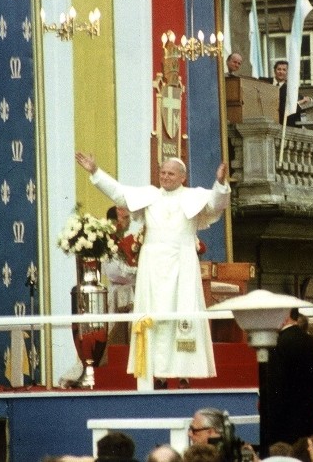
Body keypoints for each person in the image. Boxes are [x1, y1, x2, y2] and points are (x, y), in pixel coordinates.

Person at [75, 152, 230, 390]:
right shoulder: (149, 195)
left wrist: (219, 183)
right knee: (155, 319)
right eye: (162, 173)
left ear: (182, 177)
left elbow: (216, 203)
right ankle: (156, 373)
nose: (165, 177)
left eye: (170, 173)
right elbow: (119, 193)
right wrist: (96, 171)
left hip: (182, 264)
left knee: (182, 316)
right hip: (153, 266)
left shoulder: (193, 196)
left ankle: (184, 373)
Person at [265, 309, 313, 447]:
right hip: (311, 418)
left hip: (283, 423)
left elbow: (273, 389)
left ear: (285, 316)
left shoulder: (275, 344)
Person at [103, 205, 140, 343]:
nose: (129, 221)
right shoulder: (107, 242)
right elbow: (114, 272)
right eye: (125, 218)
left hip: (130, 292)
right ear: (114, 221)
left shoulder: (123, 240)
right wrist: (141, 272)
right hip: (118, 292)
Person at [275, 60, 311, 126]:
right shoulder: (269, 84)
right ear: (275, 71)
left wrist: (308, 100)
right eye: (279, 69)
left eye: (284, 70)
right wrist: (300, 102)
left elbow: (304, 100)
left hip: (288, 125)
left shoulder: (290, 88)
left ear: (287, 73)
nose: (281, 72)